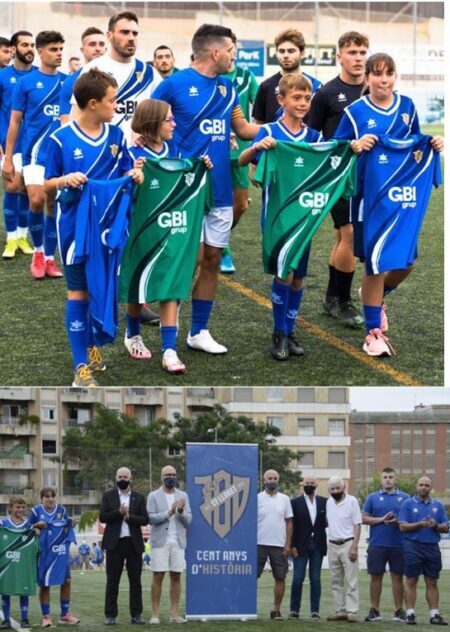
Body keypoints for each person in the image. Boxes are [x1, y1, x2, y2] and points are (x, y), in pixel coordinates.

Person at [153, 23, 259, 355]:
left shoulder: (229, 88)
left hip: (221, 188)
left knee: (212, 258)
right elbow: (147, 124)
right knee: (189, 259)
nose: (234, 57)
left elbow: (242, 129)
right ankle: (168, 325)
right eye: (231, 51)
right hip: (184, 189)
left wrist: (285, 129)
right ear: (216, 52)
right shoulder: (173, 85)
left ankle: (199, 331)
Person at [240, 74, 359, 361]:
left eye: (307, 98)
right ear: (281, 100)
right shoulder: (268, 131)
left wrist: (350, 151)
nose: (303, 103)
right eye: (296, 97)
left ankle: (290, 331)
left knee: (299, 279)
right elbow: (243, 161)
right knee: (285, 274)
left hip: (304, 219)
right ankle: (279, 332)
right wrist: (257, 147)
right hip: (278, 218)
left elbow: (330, 163)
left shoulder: (314, 137)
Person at [334, 53, 444, 356]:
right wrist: (354, 146)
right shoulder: (355, 112)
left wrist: (432, 143)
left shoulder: (407, 106)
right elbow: (337, 149)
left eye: (389, 74)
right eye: (378, 74)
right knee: (376, 262)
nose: (384, 80)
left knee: (407, 262)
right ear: (367, 78)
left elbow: (416, 143)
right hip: (368, 199)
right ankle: (372, 332)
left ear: (395, 76)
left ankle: (376, 298)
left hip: (402, 198)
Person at [44, 68, 143, 387]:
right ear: (91, 103)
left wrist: (135, 173)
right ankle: (80, 368)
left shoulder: (116, 135)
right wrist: (63, 180)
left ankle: (90, 345)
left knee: (102, 288)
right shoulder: (61, 138)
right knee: (79, 292)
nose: (117, 106)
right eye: (112, 100)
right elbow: (45, 184)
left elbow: (127, 166)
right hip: (74, 229)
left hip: (109, 228)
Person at [74, 11, 162, 327]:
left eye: (135, 33)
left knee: (136, 231)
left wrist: (148, 132)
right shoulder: (93, 70)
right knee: (101, 237)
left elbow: (159, 114)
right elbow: (74, 119)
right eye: (124, 32)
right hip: (102, 166)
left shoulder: (148, 74)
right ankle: (94, 297)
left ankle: (137, 301)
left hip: (137, 164)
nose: (130, 38)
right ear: (110, 34)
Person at [120, 98, 212, 373]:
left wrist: (200, 167)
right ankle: (132, 333)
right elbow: (123, 190)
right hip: (142, 232)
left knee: (170, 288)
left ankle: (169, 350)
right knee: (139, 288)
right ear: (152, 123)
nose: (174, 124)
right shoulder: (133, 152)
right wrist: (131, 173)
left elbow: (184, 180)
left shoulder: (174, 148)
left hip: (172, 230)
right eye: (169, 120)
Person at [308, 31, 369, 328]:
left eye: (362, 52)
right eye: (353, 52)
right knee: (349, 235)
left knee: (341, 237)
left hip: (371, 176)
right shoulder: (327, 93)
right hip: (340, 176)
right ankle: (344, 302)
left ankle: (332, 298)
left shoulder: (375, 91)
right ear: (339, 56)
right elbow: (310, 138)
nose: (358, 58)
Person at [3, 30, 66, 280]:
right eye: (53, 49)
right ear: (40, 51)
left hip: (59, 156)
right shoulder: (25, 83)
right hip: (33, 154)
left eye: (61, 49)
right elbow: (15, 123)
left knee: (53, 205)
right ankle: (38, 252)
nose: (59, 54)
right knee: (37, 200)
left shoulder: (68, 82)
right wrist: (8, 158)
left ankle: (50, 259)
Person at [220, 32, 259, 275]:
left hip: (241, 153)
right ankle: (222, 249)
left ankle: (220, 239)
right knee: (215, 204)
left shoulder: (246, 77)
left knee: (241, 205)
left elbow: (260, 105)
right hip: (213, 152)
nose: (230, 51)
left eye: (232, 46)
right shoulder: (210, 77)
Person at [0, 31, 35, 260]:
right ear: (14, 48)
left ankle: (23, 236)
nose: (29, 48)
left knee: (27, 190)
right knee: (12, 188)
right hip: (8, 143)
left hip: (33, 145)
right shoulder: (3, 76)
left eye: (32, 44)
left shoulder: (39, 76)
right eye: (24, 44)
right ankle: (11, 239)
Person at [100, 467, 149, 626]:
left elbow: (144, 519)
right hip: (114, 544)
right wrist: (119, 512)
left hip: (133, 544)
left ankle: (136, 615)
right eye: (120, 476)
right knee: (112, 581)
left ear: (130, 478)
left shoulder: (139, 497)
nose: (122, 479)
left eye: (125, 477)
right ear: (116, 478)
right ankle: (110, 615)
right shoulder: (108, 496)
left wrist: (129, 517)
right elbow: (103, 517)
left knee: (135, 582)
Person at [398, 476, 449, 626]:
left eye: (427, 485)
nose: (424, 487)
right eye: (421, 484)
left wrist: (435, 525)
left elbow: (445, 527)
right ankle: (410, 614)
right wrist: (419, 524)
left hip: (432, 547)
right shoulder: (407, 504)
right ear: (417, 486)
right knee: (411, 580)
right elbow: (402, 526)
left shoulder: (438, 505)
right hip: (412, 546)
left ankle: (434, 615)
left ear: (430, 488)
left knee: (432, 581)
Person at [362, 467, 409, 622]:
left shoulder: (405, 498)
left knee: (397, 577)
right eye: (385, 477)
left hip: (399, 544)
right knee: (376, 577)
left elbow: (408, 521)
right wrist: (382, 519)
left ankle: (398, 611)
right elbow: (363, 518)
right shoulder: (372, 497)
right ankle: (374, 610)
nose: (388, 479)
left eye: (390, 477)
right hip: (377, 544)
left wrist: (397, 521)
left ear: (395, 479)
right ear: (381, 479)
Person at [28, 487, 79, 628]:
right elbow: (27, 527)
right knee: (45, 584)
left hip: (60, 552)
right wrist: (36, 527)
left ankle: (65, 614)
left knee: (67, 580)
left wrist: (72, 523)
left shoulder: (61, 510)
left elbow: (66, 526)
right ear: (42, 499)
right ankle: (46, 616)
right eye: (46, 496)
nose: (50, 499)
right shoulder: (36, 511)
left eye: (52, 496)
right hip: (44, 553)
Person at [147, 465, 192, 624]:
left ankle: (174, 614)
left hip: (178, 541)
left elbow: (189, 520)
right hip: (160, 541)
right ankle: (155, 615)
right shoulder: (153, 496)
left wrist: (180, 512)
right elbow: (151, 518)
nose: (170, 477)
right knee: (158, 575)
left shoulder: (183, 495)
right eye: (167, 474)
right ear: (161, 477)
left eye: (172, 474)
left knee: (176, 576)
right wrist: (170, 512)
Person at [252, 28, 321, 124]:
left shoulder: (316, 86)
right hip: (274, 139)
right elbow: (258, 124)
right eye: (281, 51)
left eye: (291, 51)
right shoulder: (266, 86)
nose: (285, 55)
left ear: (302, 53)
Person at [289, 475, 327, 620]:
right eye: (307, 483)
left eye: (312, 483)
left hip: (317, 545)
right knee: (297, 578)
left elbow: (326, 522)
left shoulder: (324, 502)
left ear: (316, 485)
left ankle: (315, 611)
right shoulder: (294, 503)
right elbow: (291, 525)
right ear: (302, 485)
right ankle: (294, 610)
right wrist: (292, 545)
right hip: (299, 546)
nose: (309, 485)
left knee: (315, 579)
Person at [257, 469, 293, 621]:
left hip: (279, 545)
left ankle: (276, 611)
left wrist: (288, 544)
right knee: (252, 577)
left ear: (278, 480)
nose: (272, 480)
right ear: (263, 481)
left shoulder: (285, 499)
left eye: (275, 478)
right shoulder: (256, 498)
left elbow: (289, 521)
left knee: (280, 577)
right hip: (258, 543)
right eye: (269, 478)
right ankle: (248, 608)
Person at [0, 496, 40, 629]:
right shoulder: (3, 525)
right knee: (5, 590)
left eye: (23, 507)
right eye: (17, 507)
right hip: (6, 565)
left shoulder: (29, 525)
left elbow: (36, 546)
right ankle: (6, 620)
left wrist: (36, 533)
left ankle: (24, 618)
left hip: (22, 564)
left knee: (24, 591)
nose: (21, 509)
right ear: (10, 508)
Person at [325, 476, 362, 623]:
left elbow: (357, 525)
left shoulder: (352, 501)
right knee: (335, 580)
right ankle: (340, 610)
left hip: (348, 544)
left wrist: (354, 546)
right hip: (332, 544)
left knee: (351, 579)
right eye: (332, 489)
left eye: (337, 488)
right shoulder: (328, 502)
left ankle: (352, 610)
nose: (335, 491)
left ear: (343, 487)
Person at [59, 26, 107, 125]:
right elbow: (66, 123)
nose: (98, 48)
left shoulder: (116, 77)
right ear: (82, 50)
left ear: (106, 49)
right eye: (92, 44)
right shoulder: (70, 82)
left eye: (101, 45)